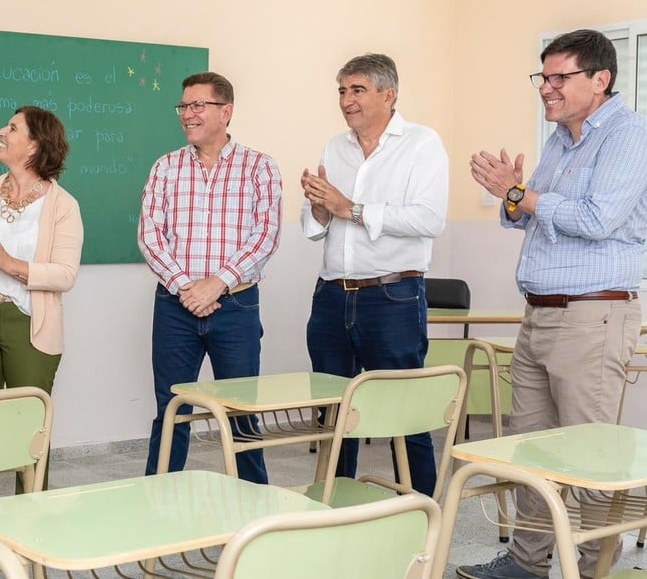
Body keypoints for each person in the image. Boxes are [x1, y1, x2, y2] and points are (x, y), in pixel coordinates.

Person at [457, 29, 647, 579]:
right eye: (543, 77)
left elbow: (595, 219)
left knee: (589, 456)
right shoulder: (561, 140)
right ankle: (526, 563)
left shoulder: (630, 135)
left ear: (600, 79)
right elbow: (521, 213)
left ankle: (591, 568)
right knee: (533, 452)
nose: (547, 88)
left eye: (560, 77)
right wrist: (514, 195)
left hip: (593, 314)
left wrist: (521, 195)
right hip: (539, 312)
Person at [300, 53, 449, 496]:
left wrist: (352, 209)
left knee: (406, 414)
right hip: (331, 297)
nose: (347, 100)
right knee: (334, 413)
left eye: (357, 90)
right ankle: (334, 505)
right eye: (342, 91)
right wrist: (319, 208)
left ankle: (422, 514)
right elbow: (315, 228)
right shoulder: (334, 146)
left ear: (389, 94)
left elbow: (429, 220)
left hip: (392, 297)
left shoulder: (422, 144)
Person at [138, 72, 282, 484]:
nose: (188, 114)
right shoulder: (165, 168)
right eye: (184, 106)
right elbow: (150, 235)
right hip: (174, 306)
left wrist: (216, 282)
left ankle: (255, 508)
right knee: (171, 409)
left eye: (198, 105)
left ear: (226, 112)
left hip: (236, 304)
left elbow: (266, 236)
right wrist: (186, 286)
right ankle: (154, 505)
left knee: (239, 412)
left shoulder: (260, 167)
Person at [0, 106, 83, 501]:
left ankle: (30, 525)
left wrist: (7, 262)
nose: (0, 132)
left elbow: (65, 275)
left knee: (29, 433)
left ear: (34, 145)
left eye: (11, 128)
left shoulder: (64, 206)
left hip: (30, 325)